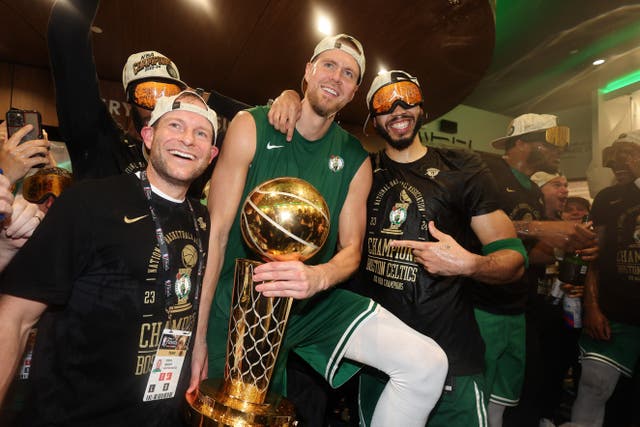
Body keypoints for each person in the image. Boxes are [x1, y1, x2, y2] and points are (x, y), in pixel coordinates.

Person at [190, 36, 449, 427]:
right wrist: (198, 329)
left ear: (354, 93)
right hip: (239, 307)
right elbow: (218, 233)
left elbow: (350, 251)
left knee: (426, 364)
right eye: (328, 65)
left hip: (312, 302)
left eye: (349, 74)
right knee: (230, 417)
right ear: (308, 71)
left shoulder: (354, 158)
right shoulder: (252, 126)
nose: (336, 77)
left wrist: (318, 276)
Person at [0, 90, 218, 425]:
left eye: (201, 133)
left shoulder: (202, 219)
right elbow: (14, 318)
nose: (188, 139)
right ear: (148, 136)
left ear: (212, 153)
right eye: (175, 125)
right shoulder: (88, 203)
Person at [348, 70, 526, 427]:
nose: (398, 108)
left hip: (452, 359)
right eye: (384, 102)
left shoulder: (461, 168)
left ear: (422, 107)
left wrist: (470, 265)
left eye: (407, 96)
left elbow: (514, 260)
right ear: (373, 120)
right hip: (383, 361)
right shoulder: (362, 172)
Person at [47, 0, 298, 193]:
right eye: (146, 93)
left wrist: (285, 100)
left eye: (167, 94)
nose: (157, 103)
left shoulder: (193, 155)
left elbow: (262, 130)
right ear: (130, 102)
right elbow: (66, 33)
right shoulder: (101, 144)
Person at [473, 114, 597, 427]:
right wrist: (543, 227)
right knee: (475, 396)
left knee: (515, 398)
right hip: (481, 303)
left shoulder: (533, 192)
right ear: (522, 142)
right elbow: (474, 225)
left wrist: (569, 244)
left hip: (520, 306)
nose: (562, 148)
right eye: (553, 139)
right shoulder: (488, 171)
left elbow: (532, 254)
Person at [570, 130, 640, 427]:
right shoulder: (608, 198)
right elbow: (592, 255)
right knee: (593, 386)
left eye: (627, 153)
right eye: (612, 156)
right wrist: (592, 306)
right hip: (614, 314)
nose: (615, 163)